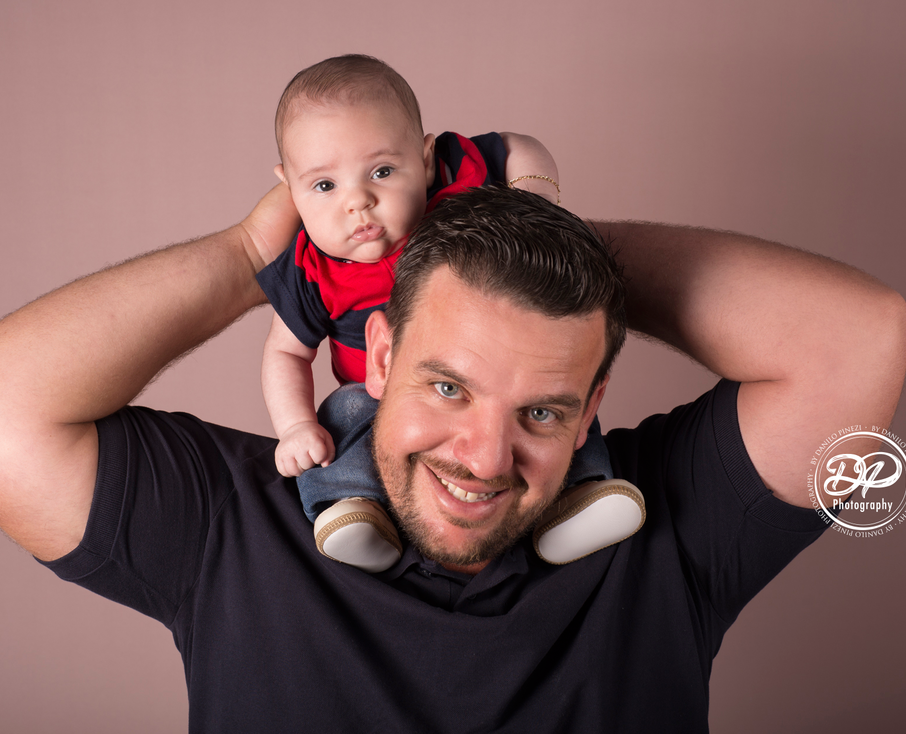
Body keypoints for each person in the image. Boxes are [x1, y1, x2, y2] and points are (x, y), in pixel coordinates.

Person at [0, 182, 906, 731]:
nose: (485, 457)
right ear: (381, 356)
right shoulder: (234, 520)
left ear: (594, 406)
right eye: (448, 387)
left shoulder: (663, 525)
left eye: (544, 411)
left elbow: (859, 340)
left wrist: (538, 232)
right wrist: (254, 261)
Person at [258, 55, 643, 571]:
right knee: (341, 414)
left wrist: (536, 210)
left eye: (382, 171)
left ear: (423, 158)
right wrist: (294, 425)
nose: (360, 202)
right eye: (324, 186)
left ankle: (581, 499)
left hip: (508, 368)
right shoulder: (311, 269)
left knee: (546, 391)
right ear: (289, 188)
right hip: (375, 397)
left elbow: (520, 147)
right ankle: (352, 508)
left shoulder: (454, 194)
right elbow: (285, 351)